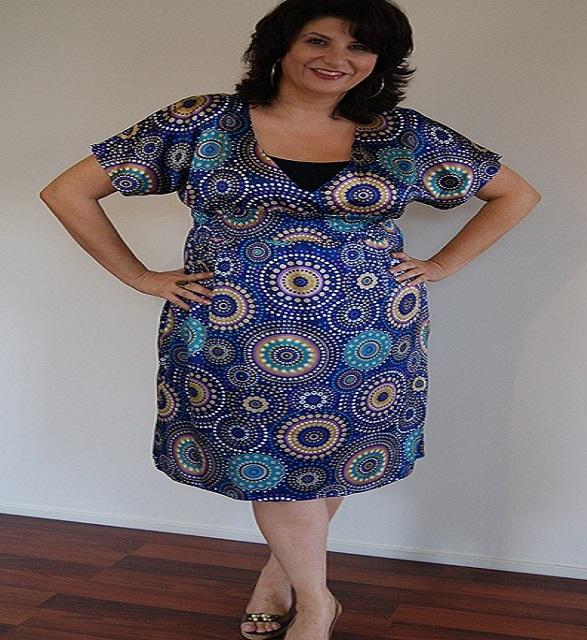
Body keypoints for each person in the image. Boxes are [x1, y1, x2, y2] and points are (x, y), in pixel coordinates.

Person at [39, 0, 541, 638]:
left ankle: (282, 579)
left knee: (331, 456)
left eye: (359, 47)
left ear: (380, 60)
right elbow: (68, 191)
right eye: (318, 40)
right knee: (271, 465)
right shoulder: (202, 121)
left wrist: (444, 264)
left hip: (368, 334)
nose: (338, 60)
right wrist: (138, 275)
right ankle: (317, 601)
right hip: (233, 333)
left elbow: (514, 193)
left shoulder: (401, 134)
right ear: (280, 44)